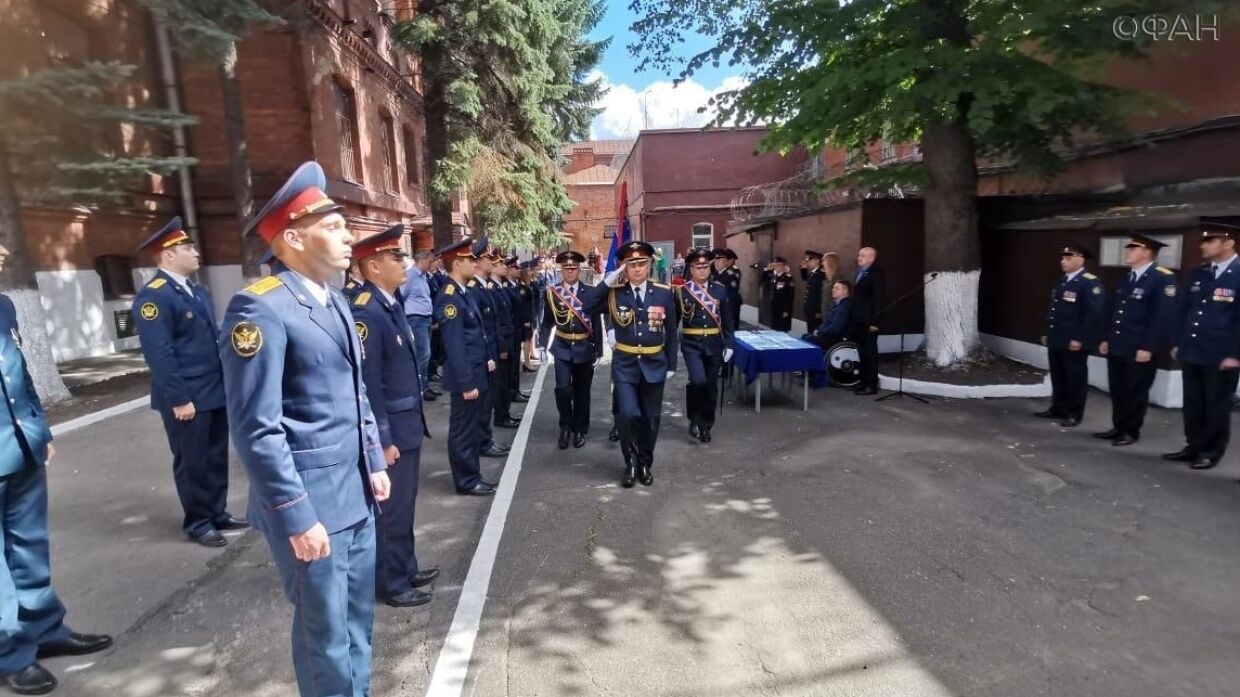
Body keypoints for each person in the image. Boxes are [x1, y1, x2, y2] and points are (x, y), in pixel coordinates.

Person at [219, 161, 391, 696]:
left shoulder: (334, 300)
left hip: (357, 493)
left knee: (358, 621)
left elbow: (354, 389)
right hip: (312, 505)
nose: (349, 236)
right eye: (334, 226)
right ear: (292, 237)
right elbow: (256, 427)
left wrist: (374, 461)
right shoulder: (260, 308)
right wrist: (296, 516)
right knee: (325, 634)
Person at [0, 245, 113, 696]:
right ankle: (11, 652)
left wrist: (39, 431)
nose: (5, 250)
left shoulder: (3, 304)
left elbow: (18, 372)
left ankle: (45, 630)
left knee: (30, 547)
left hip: (19, 447)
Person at [132, 217, 247, 548]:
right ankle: (198, 521)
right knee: (192, 459)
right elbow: (161, 355)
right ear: (168, 256)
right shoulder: (154, 298)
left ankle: (217, 511)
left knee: (215, 455)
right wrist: (179, 398)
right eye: (188, 247)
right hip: (187, 396)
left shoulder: (194, 289)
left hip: (212, 389)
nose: (195, 252)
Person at [348, 224, 439, 609]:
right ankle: (393, 582)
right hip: (392, 434)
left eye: (402, 255)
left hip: (406, 425)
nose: (403, 262)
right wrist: (381, 440)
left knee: (405, 506)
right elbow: (367, 386)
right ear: (371, 266)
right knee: (391, 511)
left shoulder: (389, 302)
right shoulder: (368, 312)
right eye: (394, 257)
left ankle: (406, 565)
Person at [1165, 220, 1240, 470]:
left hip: (1221, 354)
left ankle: (1211, 451)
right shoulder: (1200, 272)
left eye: (1210, 240)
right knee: (1194, 403)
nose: (1203, 245)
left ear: (1228, 242)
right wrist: (1179, 342)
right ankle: (1194, 445)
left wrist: (1235, 354)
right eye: (1203, 241)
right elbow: (1184, 311)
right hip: (1193, 350)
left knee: (1216, 405)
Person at [1094, 234, 1179, 446]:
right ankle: (1118, 426)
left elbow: (1163, 317)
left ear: (1147, 252)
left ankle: (1131, 431)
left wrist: (1148, 347)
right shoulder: (1126, 278)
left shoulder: (1162, 278)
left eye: (1133, 248)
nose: (1128, 251)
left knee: (1136, 390)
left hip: (1140, 348)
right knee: (1118, 388)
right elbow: (1114, 311)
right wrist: (1106, 338)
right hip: (1119, 344)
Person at [608, 241, 679, 487]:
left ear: (649, 265)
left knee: (651, 418)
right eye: (631, 264)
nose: (637, 269)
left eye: (641, 263)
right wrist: (609, 281)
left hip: (654, 362)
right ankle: (629, 461)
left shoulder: (663, 292)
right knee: (628, 414)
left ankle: (644, 463)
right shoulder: (615, 292)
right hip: (625, 364)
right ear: (624, 267)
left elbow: (671, 331)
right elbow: (590, 305)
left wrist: (671, 364)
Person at [435, 238, 499, 496]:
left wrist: (485, 360)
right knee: (463, 431)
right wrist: (466, 382)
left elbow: (476, 334)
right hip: (466, 377)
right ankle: (466, 480)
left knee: (471, 429)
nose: (475, 263)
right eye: (470, 259)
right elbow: (455, 345)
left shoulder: (463, 291)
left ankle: (472, 474)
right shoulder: (449, 297)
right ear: (457, 263)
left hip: (475, 371)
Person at [539, 251, 607, 449]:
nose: (570, 272)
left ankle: (580, 429)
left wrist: (599, 350)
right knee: (562, 389)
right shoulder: (553, 292)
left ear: (579, 269)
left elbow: (596, 322)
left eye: (573, 268)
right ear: (561, 270)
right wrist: (543, 344)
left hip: (584, 347)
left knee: (582, 392)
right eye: (566, 269)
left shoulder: (591, 292)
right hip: (562, 347)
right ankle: (565, 426)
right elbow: (547, 322)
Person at [1035, 244, 1105, 428]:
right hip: (1057, 338)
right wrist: (1047, 333)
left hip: (1074, 340)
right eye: (1062, 258)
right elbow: (1055, 310)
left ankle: (1074, 413)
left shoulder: (1089, 282)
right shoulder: (1063, 281)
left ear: (1081, 259)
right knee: (1058, 375)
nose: (1063, 261)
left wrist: (1080, 338)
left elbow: (1093, 314)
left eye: (1068, 257)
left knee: (1075, 377)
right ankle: (1058, 407)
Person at [676, 249, 735, 443]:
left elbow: (727, 321)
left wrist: (730, 344)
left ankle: (706, 425)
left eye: (705, 267)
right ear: (691, 269)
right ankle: (694, 418)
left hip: (714, 344)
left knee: (710, 385)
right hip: (692, 344)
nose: (702, 270)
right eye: (697, 267)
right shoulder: (683, 290)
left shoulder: (719, 289)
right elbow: (674, 322)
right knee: (698, 381)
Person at [466, 246, 511, 457]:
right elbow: (478, 328)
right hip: (483, 353)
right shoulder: (474, 288)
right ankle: (483, 442)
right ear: (477, 262)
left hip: (491, 349)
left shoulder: (484, 287)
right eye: (486, 259)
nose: (492, 263)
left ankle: (486, 439)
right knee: (483, 403)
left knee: (488, 399)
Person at [402, 249, 440, 402]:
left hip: (425, 319)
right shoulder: (410, 276)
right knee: (422, 355)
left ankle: (423, 385)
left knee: (426, 354)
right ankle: (420, 388)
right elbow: (402, 296)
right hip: (416, 319)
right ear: (422, 260)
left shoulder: (423, 277)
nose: (432, 264)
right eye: (430, 261)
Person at [850, 246, 886, 395]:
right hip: (858, 320)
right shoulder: (860, 273)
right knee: (862, 353)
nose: (859, 258)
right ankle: (862, 382)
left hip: (869, 322)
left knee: (870, 354)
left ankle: (871, 385)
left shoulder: (876, 274)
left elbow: (879, 299)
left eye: (863, 256)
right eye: (859, 255)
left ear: (872, 258)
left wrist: (875, 322)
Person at [801, 280, 854, 349]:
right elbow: (827, 322)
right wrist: (818, 329)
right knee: (805, 336)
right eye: (833, 288)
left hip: (837, 338)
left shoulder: (845, 306)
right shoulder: (837, 305)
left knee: (808, 339)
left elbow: (836, 327)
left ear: (845, 291)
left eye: (837, 288)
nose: (833, 290)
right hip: (830, 335)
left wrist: (820, 332)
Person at [712, 248, 743, 330]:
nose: (716, 263)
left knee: (729, 329)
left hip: (728, 306)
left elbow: (731, 294)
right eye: (715, 261)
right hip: (718, 307)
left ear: (726, 262)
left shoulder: (730, 275)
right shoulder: (715, 274)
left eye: (720, 261)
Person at [761, 257, 795, 332]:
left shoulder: (788, 278)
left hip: (783, 309)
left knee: (783, 330)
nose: (776, 267)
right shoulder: (773, 277)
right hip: (774, 307)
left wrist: (787, 310)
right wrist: (767, 269)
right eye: (775, 265)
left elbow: (790, 296)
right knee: (774, 329)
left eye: (779, 265)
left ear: (783, 266)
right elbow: (763, 280)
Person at [800, 250, 827, 333]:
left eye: (810, 261)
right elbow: (805, 279)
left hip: (815, 310)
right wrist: (803, 269)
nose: (808, 263)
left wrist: (819, 310)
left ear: (817, 261)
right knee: (810, 330)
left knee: (815, 331)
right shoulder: (813, 273)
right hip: (809, 308)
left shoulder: (821, 274)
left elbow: (821, 293)